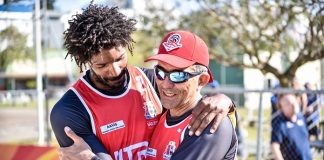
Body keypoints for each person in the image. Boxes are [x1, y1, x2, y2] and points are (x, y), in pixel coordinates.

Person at [50, 3, 236, 160]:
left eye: (119, 58)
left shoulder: (150, 83)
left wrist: (224, 100)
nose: (114, 71)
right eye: (102, 65)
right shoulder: (70, 109)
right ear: (86, 62)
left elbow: (191, 100)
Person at [145, 30, 237, 160]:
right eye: (160, 72)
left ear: (202, 80)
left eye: (178, 75)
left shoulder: (210, 122)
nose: (165, 84)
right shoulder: (162, 113)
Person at [271, 93, 312, 160]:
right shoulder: (280, 124)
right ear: (282, 108)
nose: (293, 105)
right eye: (288, 104)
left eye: (294, 102)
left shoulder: (301, 118)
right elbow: (275, 146)